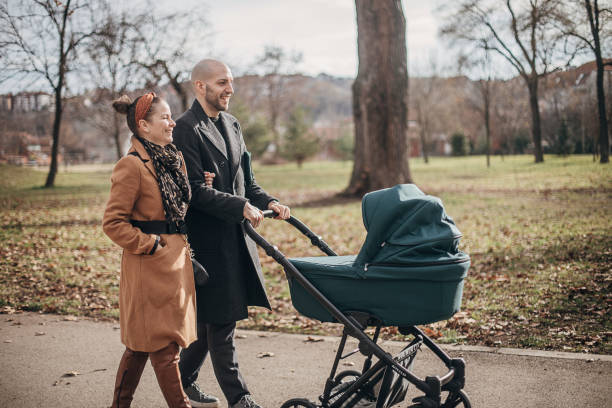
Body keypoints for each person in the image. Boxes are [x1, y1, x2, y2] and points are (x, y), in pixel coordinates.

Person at [172, 59, 290, 408]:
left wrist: (270, 201)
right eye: (222, 82)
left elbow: (247, 183)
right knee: (222, 323)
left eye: (231, 82)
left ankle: (180, 380)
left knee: (212, 322)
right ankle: (240, 399)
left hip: (236, 241)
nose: (230, 89)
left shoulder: (232, 124)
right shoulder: (185, 129)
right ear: (200, 86)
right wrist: (239, 206)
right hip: (207, 244)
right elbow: (192, 189)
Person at [103, 92, 197, 408]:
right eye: (165, 117)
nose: (172, 122)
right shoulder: (130, 166)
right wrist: (151, 245)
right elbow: (113, 223)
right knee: (164, 346)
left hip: (175, 265)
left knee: (142, 345)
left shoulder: (172, 158)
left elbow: (179, 203)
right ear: (144, 125)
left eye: (171, 116)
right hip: (149, 268)